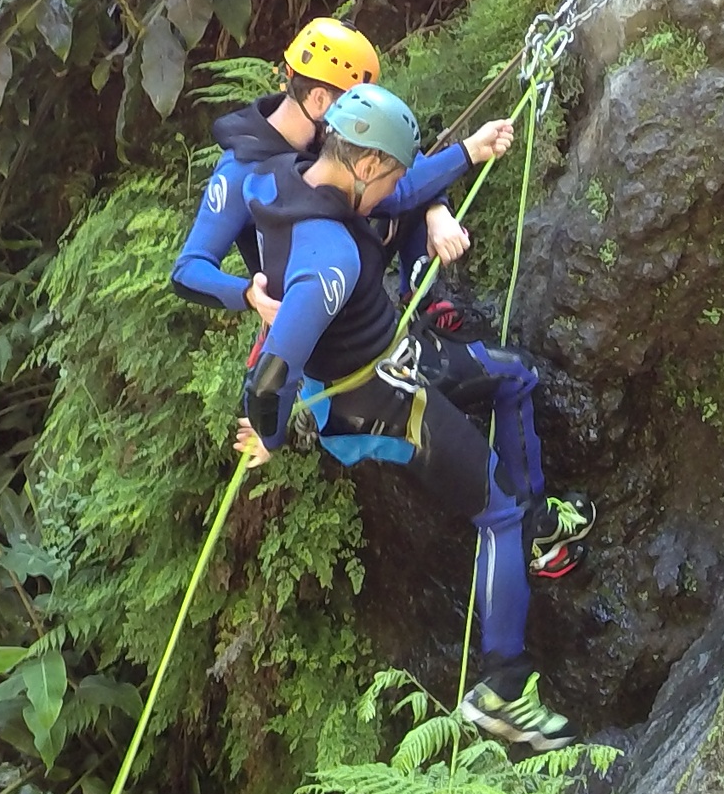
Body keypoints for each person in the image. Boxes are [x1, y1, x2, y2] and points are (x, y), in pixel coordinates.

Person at [236, 83, 584, 748]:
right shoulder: (330, 258)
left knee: (514, 377)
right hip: (376, 404)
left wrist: (467, 153)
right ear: (364, 163)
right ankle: (504, 689)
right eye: (389, 169)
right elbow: (272, 375)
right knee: (495, 510)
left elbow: (395, 196)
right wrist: (274, 432)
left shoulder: (297, 178)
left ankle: (537, 532)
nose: (394, 186)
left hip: (397, 356)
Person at [170, 14, 484, 319]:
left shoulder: (326, 131)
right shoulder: (241, 169)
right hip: (312, 314)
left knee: (398, 185)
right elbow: (189, 269)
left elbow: (401, 165)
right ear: (320, 99)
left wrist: (436, 211)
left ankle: (420, 302)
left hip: (356, 275)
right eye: (352, 101)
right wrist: (248, 294)